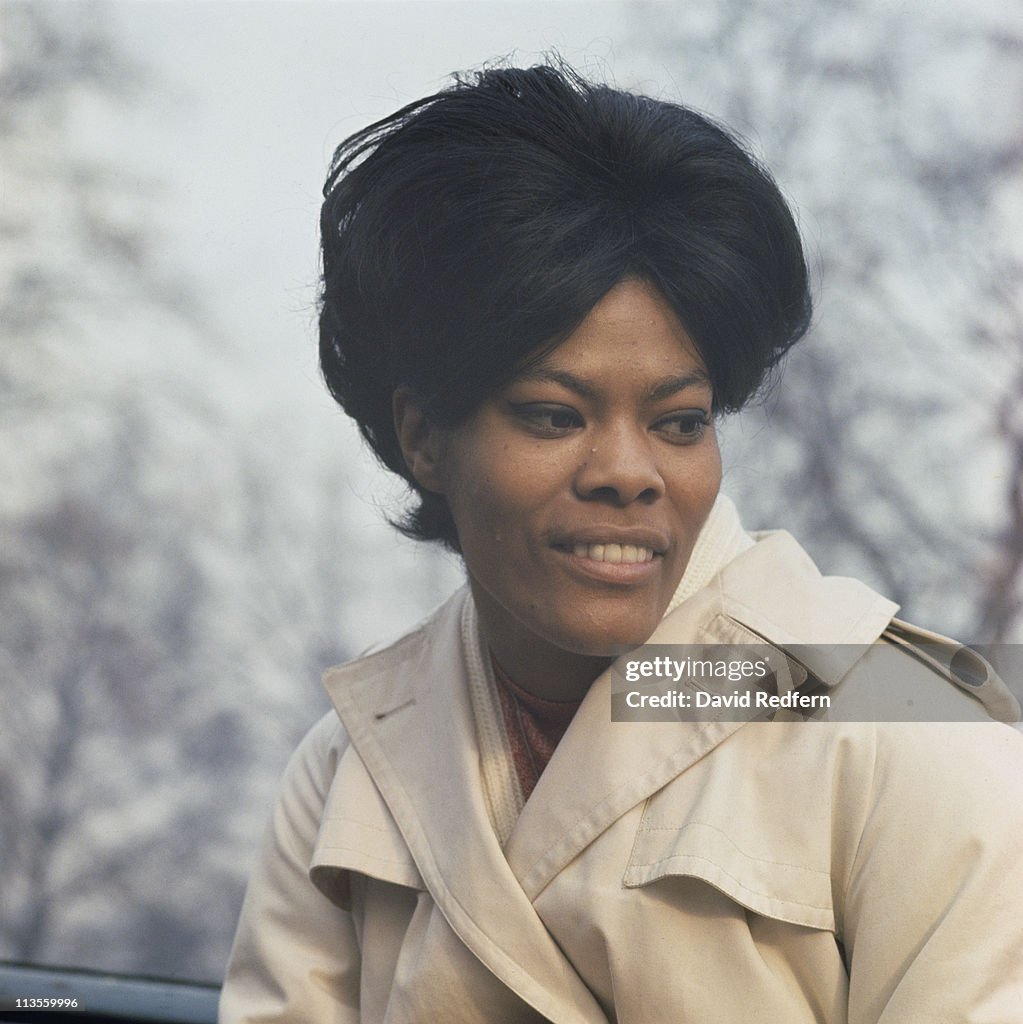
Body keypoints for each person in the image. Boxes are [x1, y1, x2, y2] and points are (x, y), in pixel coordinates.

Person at [219, 62, 1023, 1023]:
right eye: (554, 415)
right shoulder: (353, 759)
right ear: (424, 437)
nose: (629, 472)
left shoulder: (904, 724)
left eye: (680, 422)